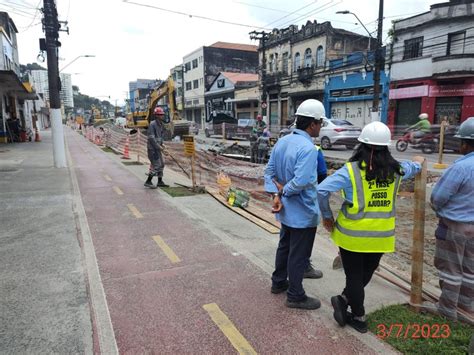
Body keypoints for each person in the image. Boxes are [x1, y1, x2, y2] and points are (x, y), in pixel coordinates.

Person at [318, 121, 423, 333]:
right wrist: (418, 162)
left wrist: (327, 216)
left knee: (355, 276)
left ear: (361, 145)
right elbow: (414, 167)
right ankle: (345, 301)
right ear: (386, 146)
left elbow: (321, 190)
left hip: (352, 236)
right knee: (365, 274)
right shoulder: (397, 169)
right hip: (381, 236)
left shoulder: (350, 171)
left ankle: (357, 315)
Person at [264, 99, 325, 310]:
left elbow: (269, 173)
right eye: (320, 123)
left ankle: (279, 282)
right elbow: (300, 182)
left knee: (285, 246)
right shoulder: (309, 149)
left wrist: (276, 195)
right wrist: (282, 191)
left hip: (286, 209)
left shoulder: (282, 142)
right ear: (312, 124)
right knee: (298, 254)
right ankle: (295, 295)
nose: (321, 127)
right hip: (302, 211)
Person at [428, 117, 474, 323]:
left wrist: (440, 210)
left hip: (454, 226)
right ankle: (466, 307)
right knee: (470, 269)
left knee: (451, 270)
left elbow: (437, 198)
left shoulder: (460, 168)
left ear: (465, 143)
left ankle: (447, 312)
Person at [144, 107, 169, 188]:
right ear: (156, 116)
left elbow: (160, 137)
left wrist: (163, 144)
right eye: (160, 115)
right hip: (152, 149)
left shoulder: (161, 125)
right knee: (157, 165)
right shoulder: (152, 124)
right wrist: (159, 147)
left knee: (162, 164)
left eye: (162, 114)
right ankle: (148, 181)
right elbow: (151, 138)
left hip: (157, 148)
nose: (162, 116)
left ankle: (160, 181)